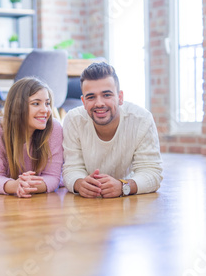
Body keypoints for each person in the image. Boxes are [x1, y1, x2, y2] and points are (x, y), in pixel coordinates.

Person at [62, 62, 162, 198]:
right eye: (91, 97)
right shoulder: (73, 119)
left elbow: (152, 172)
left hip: (129, 206)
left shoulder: (142, 120)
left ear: (120, 97)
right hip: (88, 204)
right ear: (83, 102)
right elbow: (71, 168)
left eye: (107, 95)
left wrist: (123, 186)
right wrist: (80, 184)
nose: (99, 103)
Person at [0, 77, 63, 198]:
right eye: (36, 103)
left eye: (47, 103)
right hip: (8, 193)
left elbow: (53, 176)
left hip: (38, 193)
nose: (45, 110)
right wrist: (15, 186)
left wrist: (27, 185)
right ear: (17, 108)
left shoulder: (54, 128)